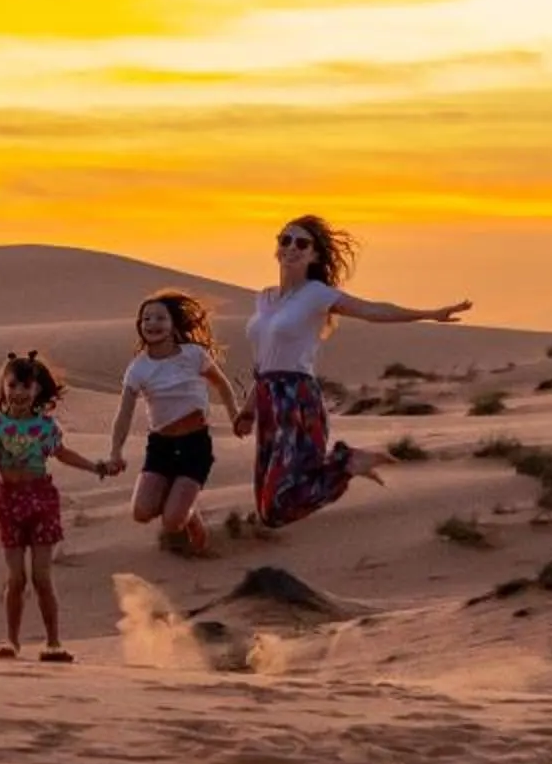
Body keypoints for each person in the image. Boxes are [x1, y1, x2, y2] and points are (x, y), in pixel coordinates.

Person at [238, 215, 469, 528]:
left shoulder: (317, 294)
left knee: (282, 501)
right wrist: (250, 409)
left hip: (297, 400)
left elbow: (372, 310)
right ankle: (344, 465)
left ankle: (346, 463)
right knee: (268, 511)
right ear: (276, 248)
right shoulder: (263, 298)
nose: (292, 247)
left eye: (302, 243)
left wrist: (429, 314)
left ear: (314, 255)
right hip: (268, 399)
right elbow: (264, 362)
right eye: (285, 240)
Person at [0, 352, 105, 662]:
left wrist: (94, 466)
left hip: (41, 498)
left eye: (26, 386)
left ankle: (54, 642)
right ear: (3, 387)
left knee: (42, 576)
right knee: (16, 577)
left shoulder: (46, 427)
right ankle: (11, 641)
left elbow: (63, 454)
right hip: (9, 501)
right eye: (13, 385)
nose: (18, 392)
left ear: (37, 390)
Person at [98, 290, 240, 557]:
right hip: (161, 446)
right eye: (146, 319)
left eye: (160, 318)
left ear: (173, 324)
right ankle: (186, 507)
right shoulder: (138, 368)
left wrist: (234, 417)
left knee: (172, 522)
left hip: (194, 445)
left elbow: (222, 384)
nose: (152, 323)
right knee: (141, 513)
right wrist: (115, 451)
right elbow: (125, 412)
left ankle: (190, 516)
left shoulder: (193, 355)